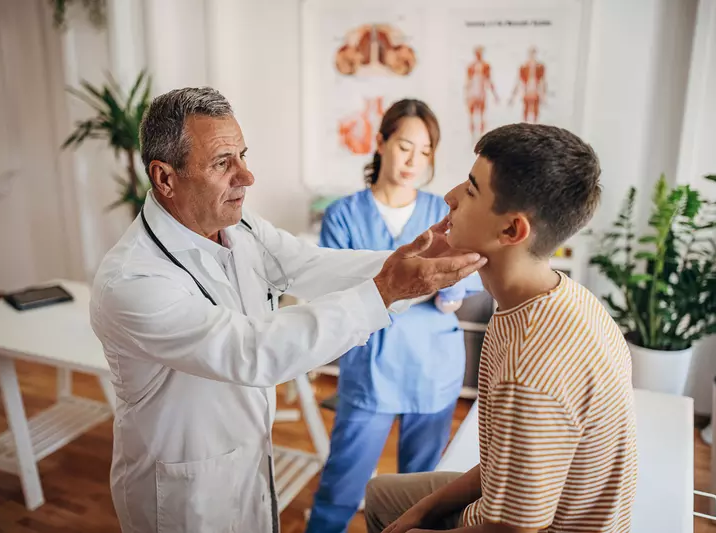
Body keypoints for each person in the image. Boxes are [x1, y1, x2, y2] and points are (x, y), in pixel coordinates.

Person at [88, 87, 486, 533]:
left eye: (242, 155)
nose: (247, 176)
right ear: (165, 178)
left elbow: (312, 265)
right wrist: (385, 290)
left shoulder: (241, 229)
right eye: (223, 163)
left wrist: (399, 265)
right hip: (184, 490)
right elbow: (252, 351)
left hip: (247, 462)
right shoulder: (132, 281)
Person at [364, 123, 638, 533]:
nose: (450, 196)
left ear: (512, 230)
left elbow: (515, 529)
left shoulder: (531, 369)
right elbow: (507, 466)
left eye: (472, 190)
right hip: (511, 504)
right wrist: (421, 511)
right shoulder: (559, 298)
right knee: (383, 494)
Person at [306, 99, 484, 533]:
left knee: (419, 498)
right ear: (381, 143)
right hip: (371, 371)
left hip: (433, 369)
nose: (414, 161)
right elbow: (332, 286)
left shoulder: (444, 212)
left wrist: (454, 285)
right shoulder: (344, 214)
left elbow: (474, 272)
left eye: (425, 152)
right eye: (405, 146)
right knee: (340, 488)